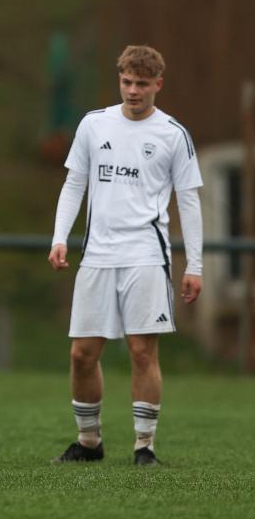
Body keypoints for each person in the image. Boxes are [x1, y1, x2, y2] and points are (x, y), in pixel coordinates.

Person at [48, 45, 203, 466]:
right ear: (120, 80)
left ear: (158, 84)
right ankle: (89, 442)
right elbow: (74, 184)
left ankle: (144, 446)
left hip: (146, 256)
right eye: (127, 82)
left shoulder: (173, 134)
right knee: (82, 353)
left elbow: (189, 201)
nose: (133, 90)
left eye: (142, 83)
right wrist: (59, 237)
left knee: (141, 351)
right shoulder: (93, 124)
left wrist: (195, 265)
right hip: (97, 255)